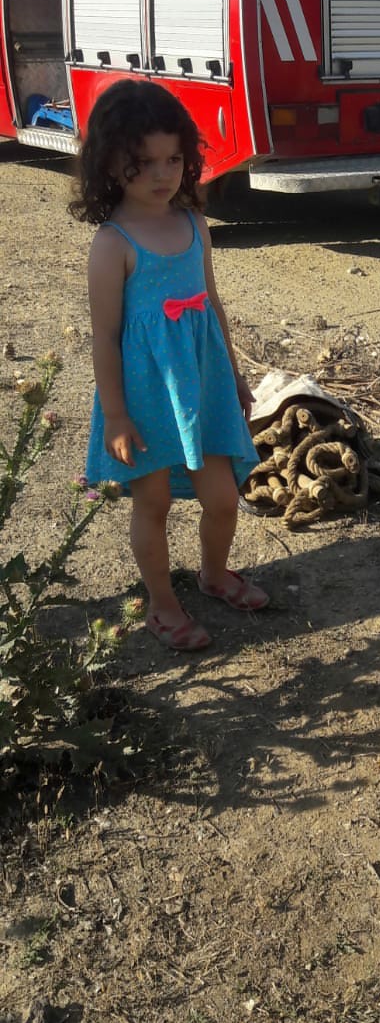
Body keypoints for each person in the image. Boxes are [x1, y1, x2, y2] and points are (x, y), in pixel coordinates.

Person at [76, 80, 267, 652]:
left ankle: (213, 574)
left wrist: (232, 376)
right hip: (145, 397)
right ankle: (162, 604)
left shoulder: (194, 226)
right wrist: (114, 415)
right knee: (152, 502)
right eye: (145, 163)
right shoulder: (112, 245)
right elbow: (105, 336)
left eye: (174, 160)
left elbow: (211, 306)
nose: (163, 175)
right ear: (111, 163)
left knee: (223, 497)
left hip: (203, 388)